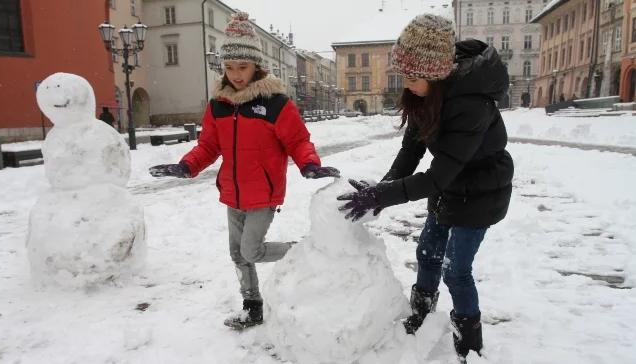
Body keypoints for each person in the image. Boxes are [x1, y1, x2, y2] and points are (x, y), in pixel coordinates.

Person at [337, 14, 513, 359]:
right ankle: (421, 314)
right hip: (449, 188)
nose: (408, 84)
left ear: (438, 73)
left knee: (456, 270)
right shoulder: (424, 95)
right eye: (405, 76)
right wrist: (382, 188)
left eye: (415, 77)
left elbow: (435, 176)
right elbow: (412, 149)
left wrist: (384, 197)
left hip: (480, 190)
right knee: (426, 252)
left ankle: (469, 343)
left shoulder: (470, 104)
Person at [148, 12, 339, 330]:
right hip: (232, 194)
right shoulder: (218, 105)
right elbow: (208, 146)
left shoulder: (276, 103)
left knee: (252, 249)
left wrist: (309, 164)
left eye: (243, 67)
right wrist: (186, 166)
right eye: (230, 67)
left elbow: (297, 140)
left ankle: (302, 250)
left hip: (263, 194)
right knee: (237, 254)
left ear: (256, 66)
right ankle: (252, 306)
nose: (236, 74)